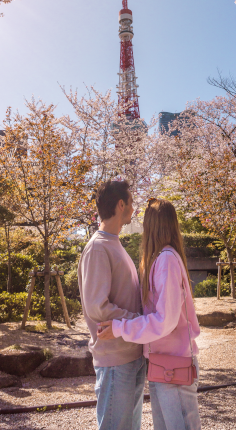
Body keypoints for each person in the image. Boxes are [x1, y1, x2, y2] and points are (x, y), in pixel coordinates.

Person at [98, 199, 202, 430]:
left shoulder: (165, 260)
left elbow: (165, 320)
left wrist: (119, 327)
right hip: (164, 364)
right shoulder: (163, 259)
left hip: (172, 364)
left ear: (151, 227)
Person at [77, 180, 146, 430]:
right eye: (131, 202)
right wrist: (140, 321)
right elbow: (98, 306)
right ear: (121, 204)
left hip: (130, 353)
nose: (133, 208)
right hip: (115, 357)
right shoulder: (98, 247)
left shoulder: (114, 243)